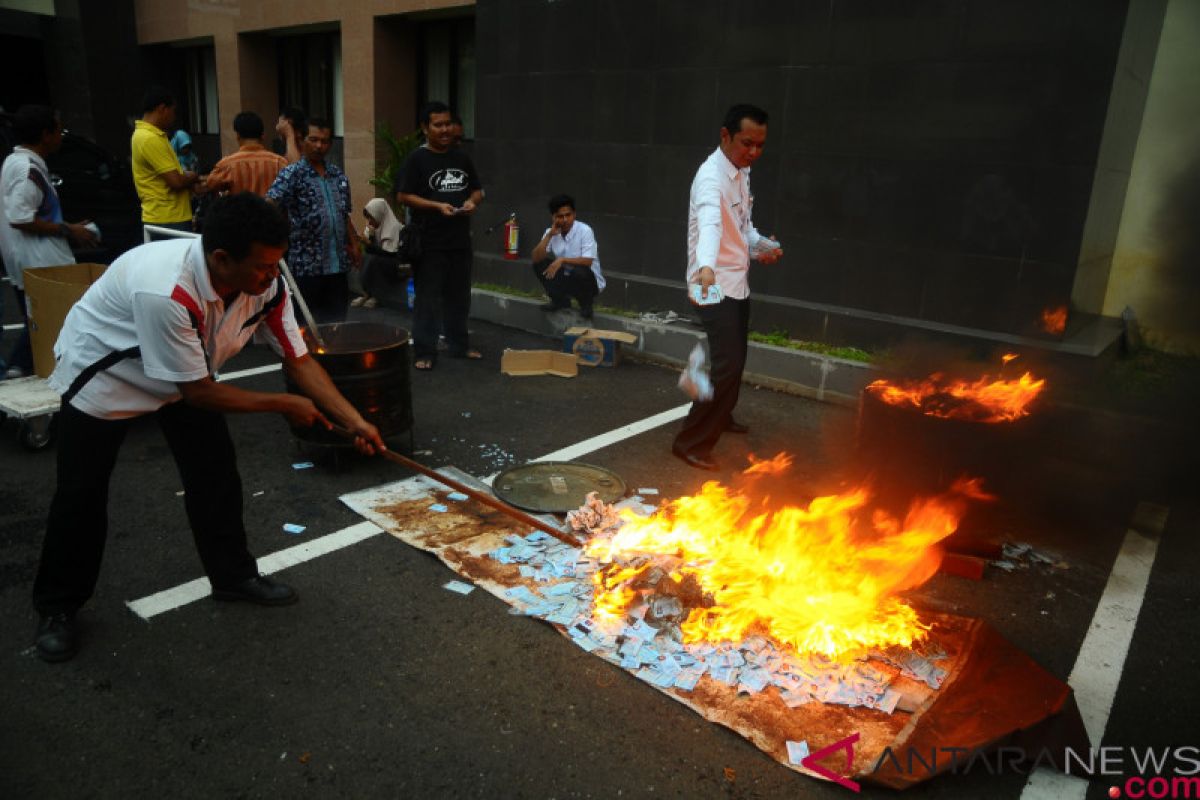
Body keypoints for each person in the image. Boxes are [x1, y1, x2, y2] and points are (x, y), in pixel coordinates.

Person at [30, 193, 385, 663]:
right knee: (81, 494)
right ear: (221, 258)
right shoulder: (168, 291)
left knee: (214, 473)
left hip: (185, 371)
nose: (271, 276)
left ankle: (233, 576)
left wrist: (355, 419)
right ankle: (58, 607)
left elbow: (298, 361)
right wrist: (283, 404)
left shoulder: (266, 283)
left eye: (277, 264)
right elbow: (198, 392)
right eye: (261, 266)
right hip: (108, 374)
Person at [672, 104, 783, 471]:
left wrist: (761, 246)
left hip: (737, 280)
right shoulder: (710, 178)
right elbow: (711, 226)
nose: (753, 152)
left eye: (760, 145)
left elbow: (741, 226)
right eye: (746, 143)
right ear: (725, 136)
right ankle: (691, 442)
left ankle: (723, 411)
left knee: (736, 358)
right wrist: (705, 267)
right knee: (727, 363)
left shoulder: (741, 171)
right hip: (710, 283)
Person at [0, 104, 99, 379]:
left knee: (40, 325)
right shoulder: (28, 168)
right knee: (52, 322)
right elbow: (20, 218)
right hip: (41, 262)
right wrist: (68, 230)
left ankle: (23, 370)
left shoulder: (15, 161)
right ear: (46, 134)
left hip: (26, 260)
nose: (62, 135)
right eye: (58, 129)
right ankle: (16, 370)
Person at [396, 101, 484, 371]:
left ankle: (459, 344)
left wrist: (472, 202)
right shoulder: (417, 159)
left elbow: (478, 190)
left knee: (459, 296)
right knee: (428, 298)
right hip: (430, 241)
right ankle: (425, 351)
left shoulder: (461, 157)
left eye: (448, 123)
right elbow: (403, 196)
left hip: (459, 240)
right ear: (425, 128)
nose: (445, 129)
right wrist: (436, 206)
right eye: (438, 125)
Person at [266, 118, 360, 323]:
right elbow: (270, 206)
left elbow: (344, 214)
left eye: (325, 141)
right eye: (314, 139)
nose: (319, 146)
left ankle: (334, 356)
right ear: (302, 140)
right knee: (305, 324)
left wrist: (353, 244)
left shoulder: (338, 175)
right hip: (305, 266)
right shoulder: (292, 174)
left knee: (336, 323)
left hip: (337, 266)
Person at [131, 87, 203, 237]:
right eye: (173, 111)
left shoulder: (151, 135)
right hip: (168, 218)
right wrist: (194, 176)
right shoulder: (149, 138)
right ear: (163, 109)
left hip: (166, 216)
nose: (174, 117)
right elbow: (175, 181)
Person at [529, 193, 603, 321]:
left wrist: (562, 260)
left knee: (580, 270)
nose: (564, 220)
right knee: (540, 264)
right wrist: (549, 236)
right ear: (553, 217)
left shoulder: (585, 230)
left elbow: (588, 261)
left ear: (574, 214)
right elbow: (535, 258)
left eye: (568, 215)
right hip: (567, 278)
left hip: (589, 282)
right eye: (560, 216)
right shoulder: (551, 232)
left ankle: (586, 305)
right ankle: (560, 301)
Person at [206, 111, 290, 197]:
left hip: (240, 210)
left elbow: (210, 184)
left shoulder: (227, 164)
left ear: (238, 136)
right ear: (262, 136)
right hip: (271, 210)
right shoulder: (279, 162)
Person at [352, 197, 402, 309]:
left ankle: (377, 296)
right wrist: (369, 238)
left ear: (379, 214)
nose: (369, 221)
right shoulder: (374, 226)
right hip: (382, 257)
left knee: (374, 261)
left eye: (371, 217)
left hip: (393, 260)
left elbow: (389, 253)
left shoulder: (392, 227)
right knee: (365, 258)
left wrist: (369, 243)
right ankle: (366, 294)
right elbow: (370, 250)